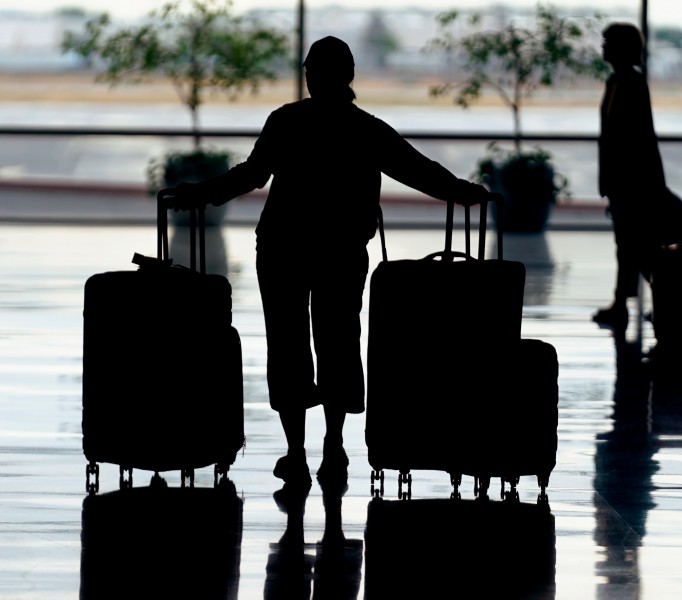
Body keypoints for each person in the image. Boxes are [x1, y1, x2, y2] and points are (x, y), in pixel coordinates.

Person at [169, 36, 494, 488]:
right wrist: (463, 191)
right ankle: (334, 448)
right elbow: (417, 169)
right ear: (350, 77)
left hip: (282, 247)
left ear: (311, 76)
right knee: (339, 340)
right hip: (341, 251)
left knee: (287, 343)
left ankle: (296, 453)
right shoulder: (367, 129)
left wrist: (197, 193)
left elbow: (251, 174)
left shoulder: (286, 121)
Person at [592, 22, 669, 331]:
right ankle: (639, 302)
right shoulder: (620, 81)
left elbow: (633, 139)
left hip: (633, 181)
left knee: (635, 246)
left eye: (608, 42)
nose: (603, 47)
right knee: (631, 245)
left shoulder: (629, 84)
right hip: (627, 180)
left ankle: (642, 302)